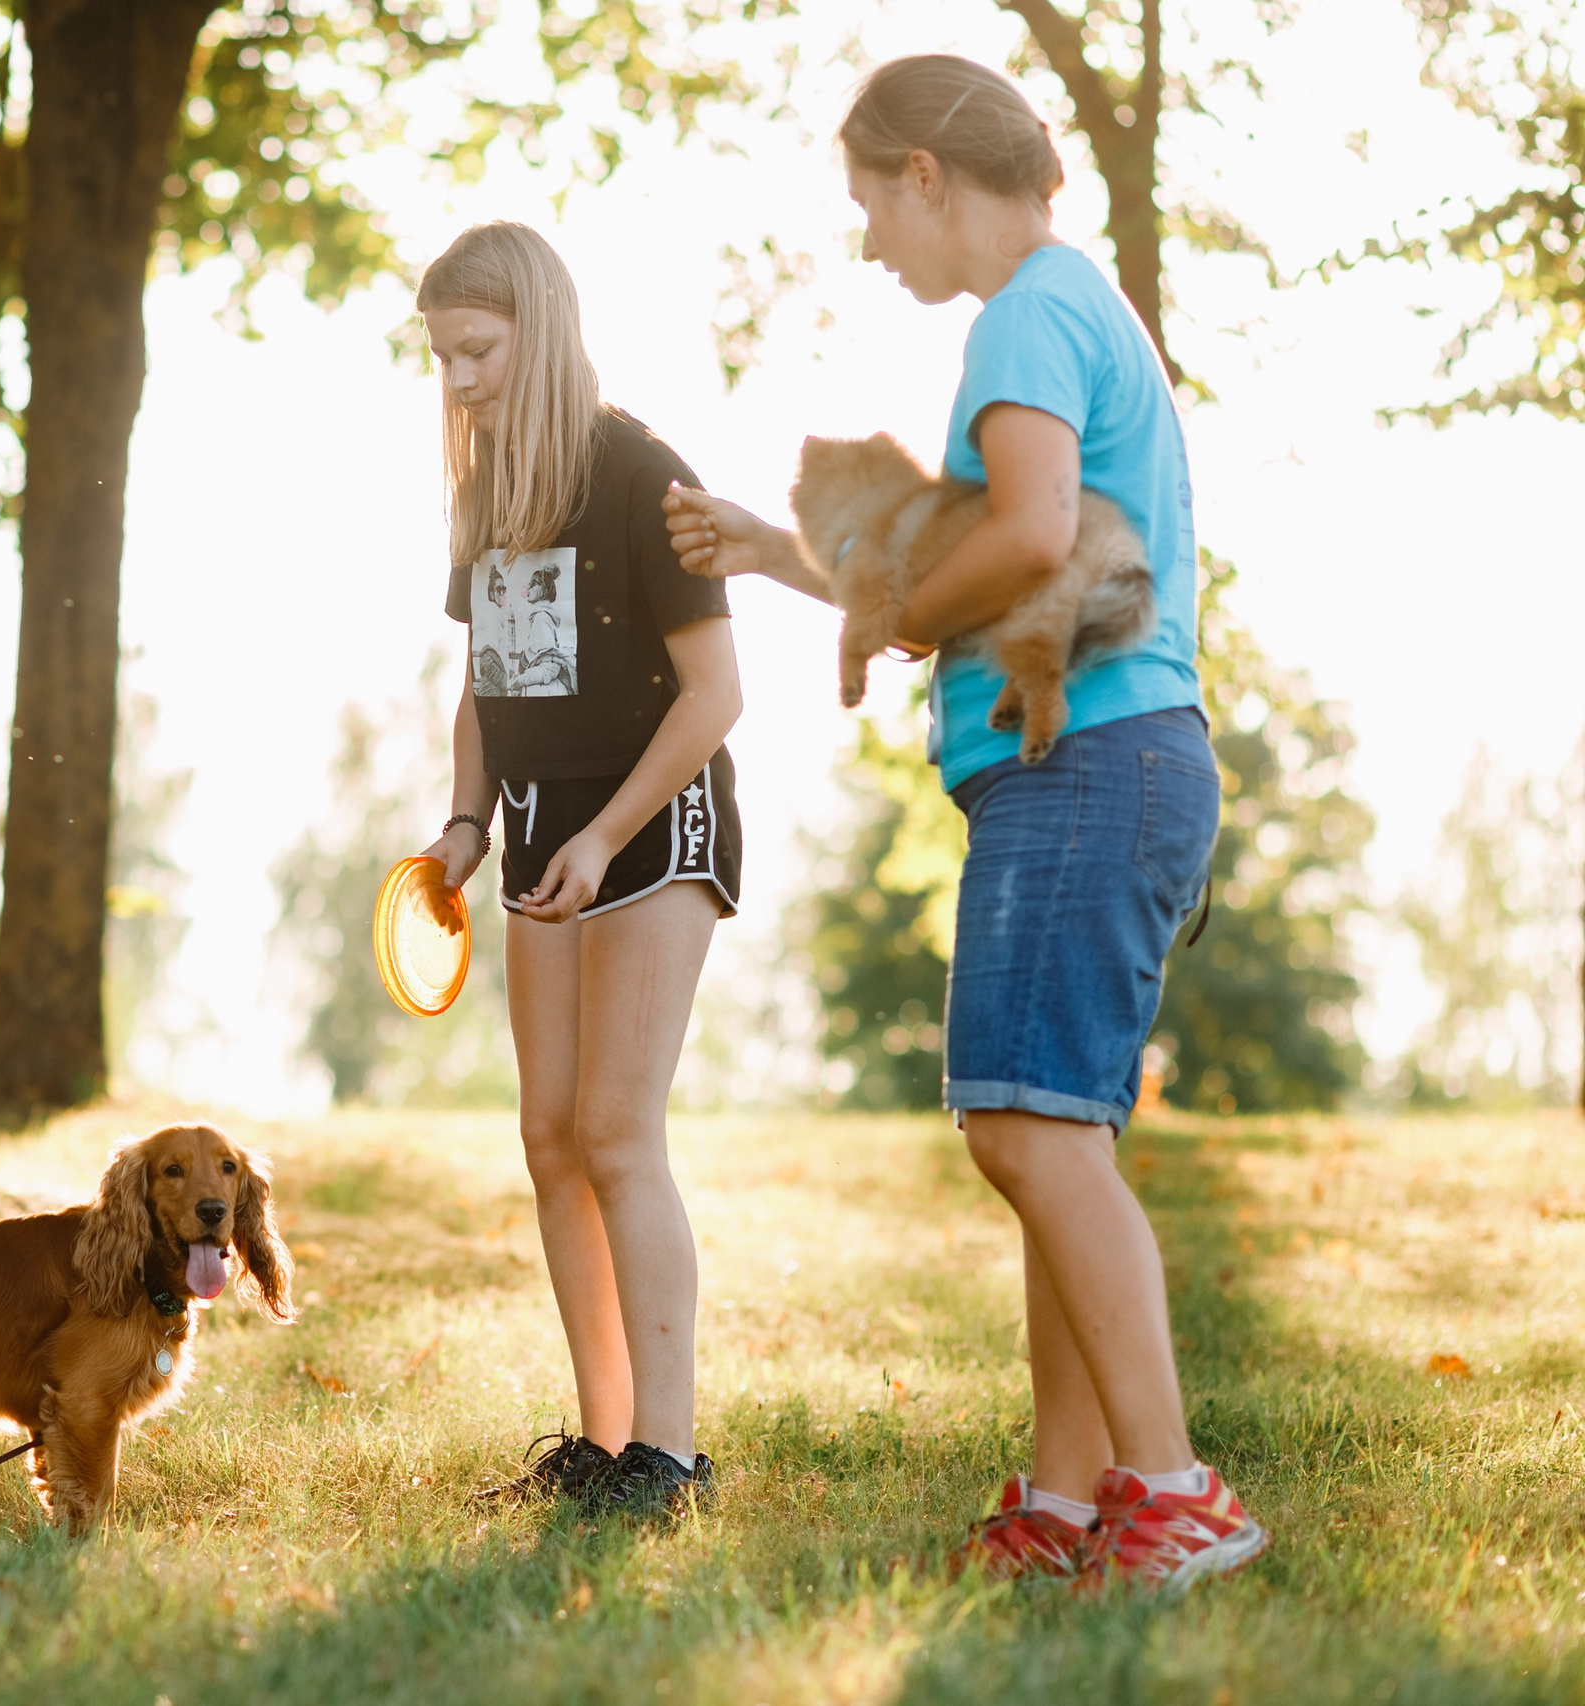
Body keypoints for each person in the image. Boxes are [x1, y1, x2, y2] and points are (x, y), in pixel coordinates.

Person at [663, 56, 1266, 1588]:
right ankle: (1068, 1506)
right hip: (1119, 764)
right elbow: (985, 561)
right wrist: (791, 559)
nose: (871, 237)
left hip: (1092, 764)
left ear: (927, 171)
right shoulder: (1078, 305)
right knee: (1052, 1134)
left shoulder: (1028, 312)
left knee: (1020, 1128)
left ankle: (1176, 1492)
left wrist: (883, 625)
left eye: (871, 198)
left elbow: (1027, 535)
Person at [411, 221, 745, 1513]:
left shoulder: (643, 471)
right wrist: (464, 823)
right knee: (549, 1133)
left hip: (656, 821)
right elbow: (485, 685)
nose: (459, 381)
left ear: (538, 333)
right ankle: (605, 1448)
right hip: (544, 825)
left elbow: (717, 692)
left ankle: (670, 1452)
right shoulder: (485, 492)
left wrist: (607, 836)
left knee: (615, 1127)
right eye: (442, 358)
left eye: (478, 352)